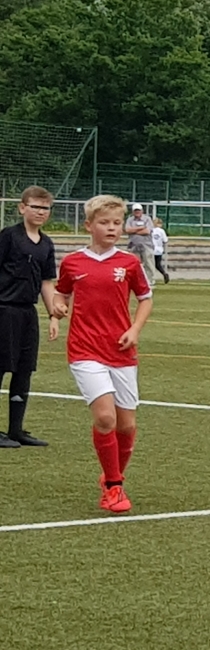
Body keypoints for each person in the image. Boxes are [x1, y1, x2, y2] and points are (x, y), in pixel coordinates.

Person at [56, 195, 153, 514]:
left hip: (121, 351)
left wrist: (134, 330)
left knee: (126, 426)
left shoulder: (129, 263)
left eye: (116, 223)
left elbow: (145, 298)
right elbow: (62, 293)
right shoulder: (73, 262)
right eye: (104, 223)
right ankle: (113, 487)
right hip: (84, 349)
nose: (112, 228)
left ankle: (112, 476)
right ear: (89, 225)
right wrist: (57, 307)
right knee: (105, 418)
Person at [0, 186, 63, 448]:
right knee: (1, 367)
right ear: (22, 207)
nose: (40, 212)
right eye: (35, 206)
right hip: (4, 309)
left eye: (45, 208)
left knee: (24, 369)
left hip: (28, 312)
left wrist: (53, 315)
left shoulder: (46, 243)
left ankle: (16, 430)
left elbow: (46, 282)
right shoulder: (8, 236)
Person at [124, 202, 156, 280]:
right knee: (134, 263)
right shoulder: (130, 219)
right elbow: (127, 230)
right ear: (133, 211)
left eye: (138, 210)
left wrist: (133, 231)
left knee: (148, 263)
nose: (137, 212)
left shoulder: (147, 219)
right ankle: (136, 280)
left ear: (142, 211)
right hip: (133, 245)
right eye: (135, 210)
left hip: (146, 245)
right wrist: (140, 228)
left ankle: (150, 280)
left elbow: (147, 231)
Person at [149, 217, 170, 285]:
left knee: (150, 265)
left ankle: (151, 278)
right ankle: (164, 274)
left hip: (151, 249)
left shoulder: (150, 230)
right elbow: (165, 240)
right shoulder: (161, 231)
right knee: (158, 265)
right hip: (159, 250)